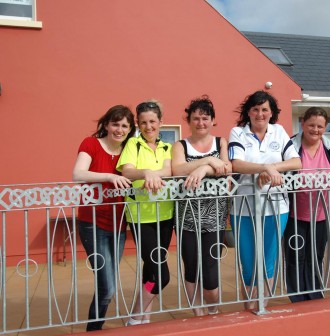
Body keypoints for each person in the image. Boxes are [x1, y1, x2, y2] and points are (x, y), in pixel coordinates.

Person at [228, 90, 301, 309]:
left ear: (272, 113)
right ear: (248, 112)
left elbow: (296, 162)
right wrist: (266, 168)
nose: (260, 114)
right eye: (255, 109)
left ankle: (263, 306)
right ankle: (250, 308)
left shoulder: (278, 132)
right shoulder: (238, 132)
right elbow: (236, 164)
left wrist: (270, 169)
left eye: (265, 109)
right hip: (243, 209)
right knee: (249, 263)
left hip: (277, 207)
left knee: (268, 262)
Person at [72, 105, 136, 331]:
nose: (119, 129)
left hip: (118, 224)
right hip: (93, 223)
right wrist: (109, 176)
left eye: (125, 126)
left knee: (104, 286)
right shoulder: (91, 144)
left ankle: (94, 328)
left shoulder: (128, 151)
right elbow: (78, 173)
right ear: (107, 124)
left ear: (130, 130)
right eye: (115, 124)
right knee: (107, 287)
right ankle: (94, 329)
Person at [116, 99, 175, 325]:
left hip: (166, 215)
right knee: (161, 274)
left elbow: (170, 170)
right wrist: (148, 172)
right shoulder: (133, 145)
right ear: (137, 125)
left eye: (152, 121)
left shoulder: (168, 147)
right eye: (143, 123)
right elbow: (128, 171)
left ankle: (144, 318)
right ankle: (135, 315)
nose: (148, 127)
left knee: (150, 271)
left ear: (161, 122)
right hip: (142, 216)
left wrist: (153, 173)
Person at [172, 95, 231, 316]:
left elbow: (226, 168)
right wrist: (208, 161)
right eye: (196, 118)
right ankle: (198, 315)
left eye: (205, 118)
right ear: (189, 120)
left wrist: (202, 169)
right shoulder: (180, 145)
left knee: (210, 269)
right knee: (191, 267)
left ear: (212, 120)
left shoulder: (220, 142)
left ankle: (212, 308)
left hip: (215, 216)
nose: (201, 123)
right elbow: (177, 170)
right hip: (187, 217)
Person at [285, 107, 330, 302]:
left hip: (321, 213)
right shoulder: (291, 146)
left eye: (320, 126)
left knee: (316, 255)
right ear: (303, 124)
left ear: (325, 127)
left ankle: (315, 294)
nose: (315, 130)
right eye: (311, 125)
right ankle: (297, 296)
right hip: (295, 213)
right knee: (295, 256)